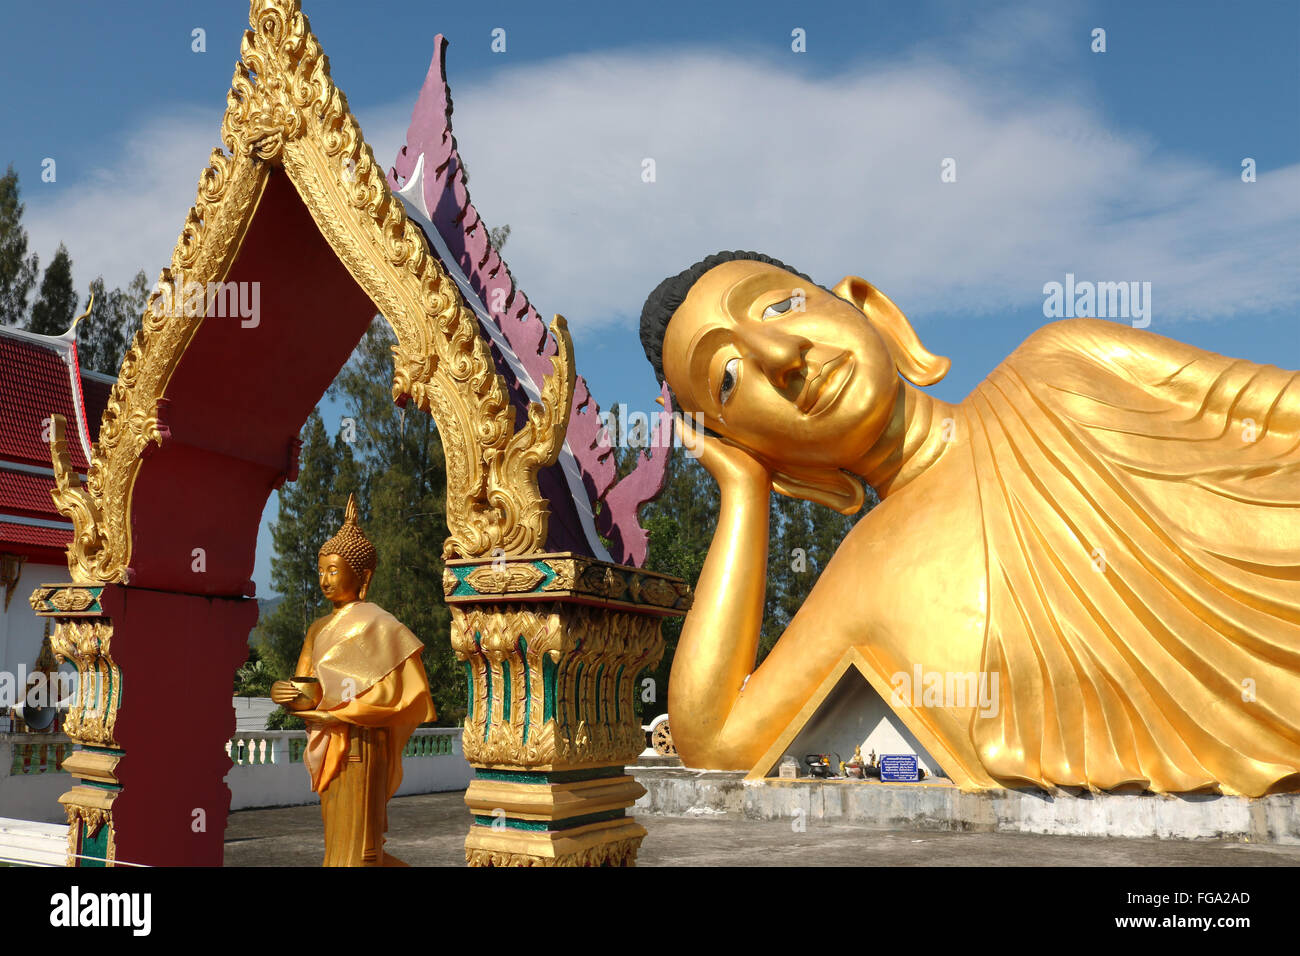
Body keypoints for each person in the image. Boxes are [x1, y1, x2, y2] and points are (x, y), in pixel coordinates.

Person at [640, 250, 1300, 796]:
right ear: (764, 455)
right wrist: (743, 494)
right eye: (726, 380)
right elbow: (714, 738)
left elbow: (1283, 413)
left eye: (781, 305)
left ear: (871, 311)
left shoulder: (1065, 364)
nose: (781, 354)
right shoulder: (865, 575)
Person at [270, 494, 436, 865]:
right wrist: (284, 693)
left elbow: (400, 696)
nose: (325, 580)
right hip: (330, 742)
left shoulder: (381, 625)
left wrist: (344, 714)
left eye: (334, 570)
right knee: (336, 842)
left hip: (364, 744)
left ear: (363, 576)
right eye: (322, 571)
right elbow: (308, 692)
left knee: (362, 846)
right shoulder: (317, 629)